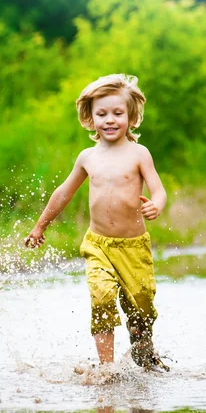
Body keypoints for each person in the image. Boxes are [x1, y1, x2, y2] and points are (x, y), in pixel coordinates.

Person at [25, 74, 169, 371]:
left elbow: (158, 188)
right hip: (98, 244)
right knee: (101, 298)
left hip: (133, 247)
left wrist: (157, 204)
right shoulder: (87, 157)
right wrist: (41, 225)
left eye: (118, 113)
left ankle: (143, 345)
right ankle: (106, 368)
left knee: (141, 304)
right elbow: (64, 192)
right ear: (90, 118)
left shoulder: (139, 154)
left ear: (131, 116)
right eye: (101, 114)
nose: (110, 120)